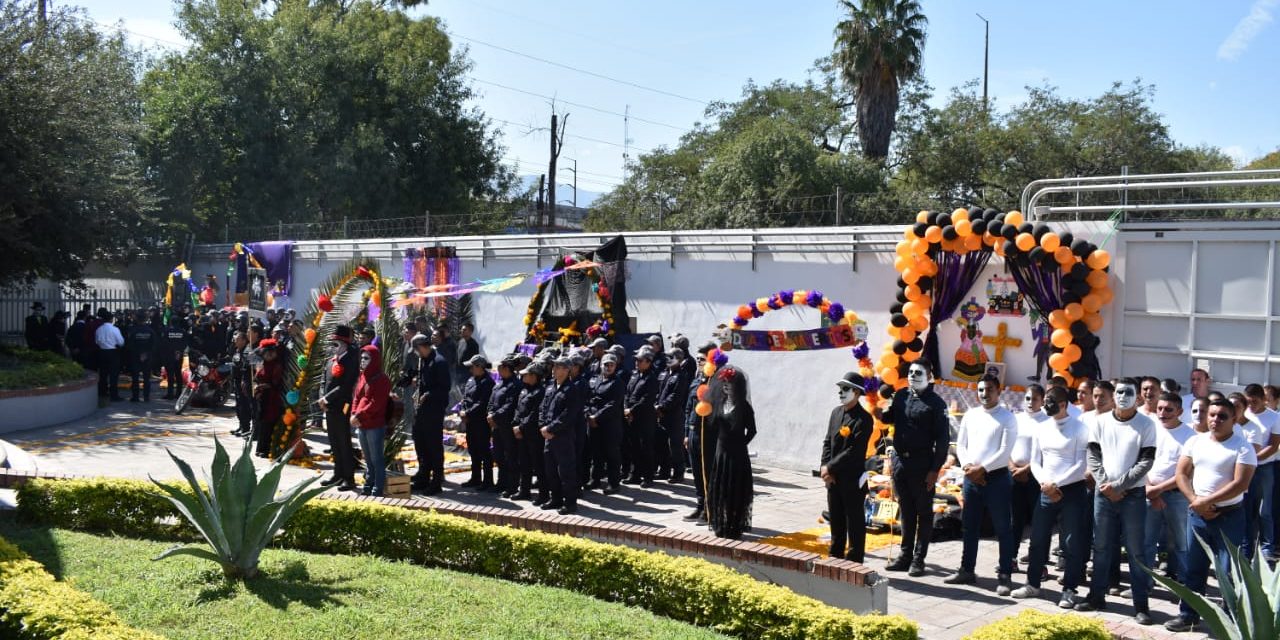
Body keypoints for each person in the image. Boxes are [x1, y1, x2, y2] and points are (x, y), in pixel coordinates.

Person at [1163, 399, 1257, 633]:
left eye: (1222, 416)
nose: (1215, 420)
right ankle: (1189, 615)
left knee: (1228, 571)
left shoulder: (1243, 447)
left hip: (1229, 516)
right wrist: (1196, 501)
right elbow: (1181, 473)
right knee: (1193, 568)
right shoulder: (1195, 441)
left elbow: (1240, 484)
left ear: (1234, 419)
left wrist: (1207, 501)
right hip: (1197, 514)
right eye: (1212, 415)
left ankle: (1230, 620)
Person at [1075, 378, 1157, 626]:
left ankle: (1141, 606)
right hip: (1104, 494)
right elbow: (1093, 454)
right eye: (1119, 392)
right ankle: (1096, 596)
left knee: (1136, 551)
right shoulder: (1100, 422)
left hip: (1132, 496)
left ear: (1137, 397)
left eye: (1128, 392)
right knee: (1100, 546)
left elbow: (1146, 461)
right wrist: (1106, 486)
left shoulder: (1146, 424)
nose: (1122, 396)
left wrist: (1120, 486)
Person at [1011, 386, 1091, 607]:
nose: (1046, 406)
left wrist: (1057, 483)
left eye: (1051, 402)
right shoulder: (1042, 428)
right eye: (1045, 401)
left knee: (1071, 542)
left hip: (1072, 490)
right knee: (1038, 538)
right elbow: (1036, 461)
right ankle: (1033, 584)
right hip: (1045, 489)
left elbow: (1080, 464)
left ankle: (1069, 589)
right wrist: (1046, 483)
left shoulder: (1080, 429)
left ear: (1064, 404)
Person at [875, 359, 950, 576]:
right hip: (900, 462)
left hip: (922, 464)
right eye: (910, 372)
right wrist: (876, 406)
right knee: (906, 511)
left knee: (923, 513)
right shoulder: (900, 396)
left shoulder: (936, 404)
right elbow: (889, 418)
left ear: (929, 376)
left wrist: (934, 470)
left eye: (918, 373)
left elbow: (943, 441)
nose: (913, 376)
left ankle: (919, 559)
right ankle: (904, 555)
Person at [947, 374, 1017, 594]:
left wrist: (982, 469)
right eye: (980, 390)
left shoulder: (1007, 417)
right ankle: (967, 569)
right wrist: (968, 467)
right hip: (971, 479)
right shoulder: (971, 415)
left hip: (996, 479)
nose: (984, 394)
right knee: (969, 526)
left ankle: (1005, 575)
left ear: (998, 391)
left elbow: (1004, 451)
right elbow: (961, 445)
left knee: (1003, 528)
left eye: (988, 389)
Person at [1142, 392, 1195, 589]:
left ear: (1180, 411)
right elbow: (1142, 459)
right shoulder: (1150, 428)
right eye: (1160, 409)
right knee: (1146, 543)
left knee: (1182, 544)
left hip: (1177, 496)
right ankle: (1143, 584)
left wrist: (1158, 490)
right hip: (1149, 492)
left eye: (1168, 410)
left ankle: (1186, 589)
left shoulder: (1191, 436)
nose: (1163, 413)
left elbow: (1187, 472)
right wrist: (1150, 488)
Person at [821, 372, 874, 562]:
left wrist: (830, 468)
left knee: (854, 521)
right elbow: (828, 441)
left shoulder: (864, 419)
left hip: (852, 479)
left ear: (857, 393)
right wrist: (824, 466)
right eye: (840, 389)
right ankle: (835, 556)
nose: (841, 393)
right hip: (833, 478)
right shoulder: (836, 412)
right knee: (836, 519)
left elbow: (854, 451)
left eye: (845, 389)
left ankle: (854, 559)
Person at [705, 365, 756, 539]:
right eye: (724, 383)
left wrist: (741, 444)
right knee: (721, 490)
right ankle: (720, 524)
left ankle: (734, 526)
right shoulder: (719, 403)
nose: (726, 386)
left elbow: (752, 431)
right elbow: (712, 426)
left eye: (730, 383)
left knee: (735, 491)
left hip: (737, 455)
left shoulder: (744, 407)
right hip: (721, 453)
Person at [400, 334, 451, 495]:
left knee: (433, 446)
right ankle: (423, 476)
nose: (416, 354)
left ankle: (436, 481)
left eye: (416, 350)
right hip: (421, 410)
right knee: (420, 443)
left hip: (434, 410)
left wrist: (428, 395)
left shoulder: (439, 362)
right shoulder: (423, 361)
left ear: (422, 346)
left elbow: (444, 388)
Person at [1010, 384, 1049, 566]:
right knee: (1014, 520)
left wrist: (1027, 470)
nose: (1030, 402)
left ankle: (1037, 563)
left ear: (1042, 401)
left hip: (1036, 477)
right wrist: (1013, 469)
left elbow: (1045, 452)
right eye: (1027, 398)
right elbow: (1006, 445)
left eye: (1034, 399)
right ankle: (1010, 558)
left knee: (1038, 522)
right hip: (1014, 476)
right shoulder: (1015, 419)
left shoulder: (1047, 422)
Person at [319, 326, 361, 492]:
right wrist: (322, 397)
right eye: (332, 344)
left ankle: (348, 478)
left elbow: (345, 386)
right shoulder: (331, 360)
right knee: (334, 441)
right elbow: (324, 381)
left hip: (342, 405)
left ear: (344, 344)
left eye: (336, 344)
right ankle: (337, 474)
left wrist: (327, 398)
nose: (333, 347)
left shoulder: (350, 361)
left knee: (344, 441)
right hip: (329, 406)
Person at [540, 356, 584, 515]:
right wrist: (543, 426)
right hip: (548, 436)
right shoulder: (551, 387)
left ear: (567, 370)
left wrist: (551, 428)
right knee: (550, 470)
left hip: (563, 437)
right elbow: (543, 408)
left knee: (566, 472)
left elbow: (569, 415)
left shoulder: (572, 389)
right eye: (554, 367)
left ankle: (570, 503)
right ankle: (556, 498)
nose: (554, 370)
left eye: (558, 367)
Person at [1242, 383, 1280, 559]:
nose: (1251, 405)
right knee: (1246, 508)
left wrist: (1252, 460)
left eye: (1255, 401)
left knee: (1264, 509)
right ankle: (1246, 546)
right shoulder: (1244, 414)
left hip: (1264, 467)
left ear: (1264, 400)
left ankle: (1267, 547)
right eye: (1248, 402)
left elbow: (1273, 445)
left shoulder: (1273, 418)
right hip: (1244, 468)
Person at [351, 345, 392, 496]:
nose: (363, 360)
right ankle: (368, 483)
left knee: (376, 459)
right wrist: (353, 414)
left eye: (366, 358)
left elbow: (376, 404)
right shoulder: (362, 376)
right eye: (361, 357)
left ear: (374, 360)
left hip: (374, 425)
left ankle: (378, 487)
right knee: (368, 459)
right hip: (361, 424)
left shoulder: (382, 380)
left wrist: (358, 416)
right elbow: (356, 397)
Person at [683, 342, 715, 522]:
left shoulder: (715, 380)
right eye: (697, 359)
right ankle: (700, 504)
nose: (698, 362)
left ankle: (710, 509)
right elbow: (689, 408)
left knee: (707, 473)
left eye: (702, 359)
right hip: (694, 433)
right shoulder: (696, 379)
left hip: (708, 434)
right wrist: (687, 433)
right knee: (696, 472)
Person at [587, 352, 625, 494]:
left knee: (611, 454)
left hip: (610, 424)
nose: (608, 367)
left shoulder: (618, 383)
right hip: (593, 423)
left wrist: (596, 417)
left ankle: (613, 483)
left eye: (611, 365)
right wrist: (589, 415)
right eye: (606, 364)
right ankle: (595, 479)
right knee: (596, 453)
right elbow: (588, 399)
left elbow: (612, 404)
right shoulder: (595, 379)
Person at [623, 348, 660, 487]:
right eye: (636, 360)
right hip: (631, 417)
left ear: (648, 362)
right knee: (634, 447)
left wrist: (631, 410)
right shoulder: (635, 375)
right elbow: (627, 393)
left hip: (644, 417)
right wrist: (626, 409)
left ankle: (648, 477)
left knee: (646, 448)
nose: (636, 362)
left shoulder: (652, 378)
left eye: (640, 360)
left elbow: (647, 399)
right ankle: (635, 474)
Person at [459, 355, 496, 489]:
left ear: (480, 367)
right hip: (470, 421)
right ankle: (475, 478)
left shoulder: (488, 382)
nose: (470, 370)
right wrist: (463, 410)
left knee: (483, 451)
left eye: (472, 367)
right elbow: (465, 399)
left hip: (480, 421)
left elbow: (482, 403)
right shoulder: (471, 380)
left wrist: (468, 413)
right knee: (473, 450)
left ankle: (488, 481)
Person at [489, 355, 522, 497]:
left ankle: (512, 486)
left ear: (507, 369)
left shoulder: (515, 385)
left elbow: (510, 405)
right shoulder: (499, 383)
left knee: (510, 456)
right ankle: (501, 482)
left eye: (501, 367)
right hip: (496, 425)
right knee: (498, 455)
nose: (498, 370)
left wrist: (495, 416)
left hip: (507, 425)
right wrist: (490, 414)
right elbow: (492, 401)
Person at [514, 362, 547, 502]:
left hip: (533, 434)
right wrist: (516, 424)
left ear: (534, 376)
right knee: (524, 463)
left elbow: (535, 414)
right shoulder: (524, 390)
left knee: (538, 465)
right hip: (522, 432)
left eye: (526, 374)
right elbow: (518, 409)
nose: (523, 376)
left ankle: (543, 494)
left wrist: (521, 427)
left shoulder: (541, 392)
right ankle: (524, 491)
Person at [656, 347, 689, 483]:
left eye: (670, 357)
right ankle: (664, 471)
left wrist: (661, 406)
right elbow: (659, 392)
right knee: (662, 444)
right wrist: (656, 405)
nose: (667, 359)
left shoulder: (681, 376)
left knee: (675, 445)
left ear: (679, 360)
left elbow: (675, 397)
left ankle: (678, 473)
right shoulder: (665, 373)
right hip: (661, 415)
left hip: (674, 415)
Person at [252, 339, 285, 458]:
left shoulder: (277, 366)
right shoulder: (261, 364)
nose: (269, 355)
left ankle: (267, 449)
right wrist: (256, 385)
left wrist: (264, 386)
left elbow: (276, 383)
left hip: (272, 398)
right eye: (266, 353)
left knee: (269, 423)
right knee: (262, 423)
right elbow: (256, 378)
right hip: (262, 397)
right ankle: (260, 448)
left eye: (271, 352)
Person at [123, 311, 157, 403]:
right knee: (146, 378)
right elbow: (154, 345)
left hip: (135, 357)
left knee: (135, 378)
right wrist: (145, 354)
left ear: (136, 319)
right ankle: (146, 397)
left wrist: (139, 354)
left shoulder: (133, 331)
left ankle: (135, 397)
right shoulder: (150, 331)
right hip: (147, 357)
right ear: (146, 319)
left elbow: (129, 345)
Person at [94, 311, 125, 402]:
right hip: (113, 352)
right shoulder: (115, 329)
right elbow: (121, 342)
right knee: (114, 374)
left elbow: (97, 341)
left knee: (103, 374)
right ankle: (114, 395)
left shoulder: (99, 329)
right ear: (111, 319)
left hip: (102, 352)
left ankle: (102, 392)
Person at [229, 331, 255, 439]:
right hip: (236, 382)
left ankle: (246, 428)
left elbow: (246, 368)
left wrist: (244, 381)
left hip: (243, 383)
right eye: (235, 339)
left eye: (238, 339)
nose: (235, 340)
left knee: (244, 407)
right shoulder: (237, 350)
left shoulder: (247, 352)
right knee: (239, 406)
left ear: (244, 340)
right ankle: (241, 426)